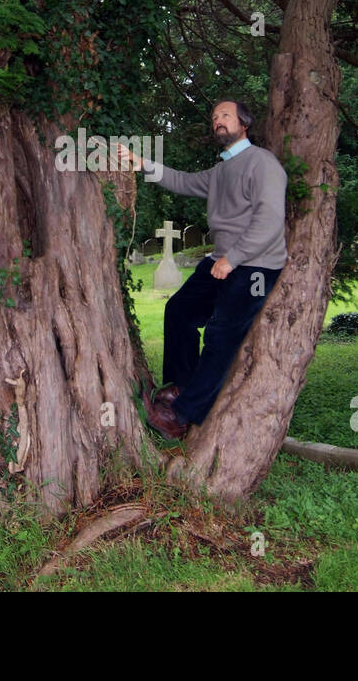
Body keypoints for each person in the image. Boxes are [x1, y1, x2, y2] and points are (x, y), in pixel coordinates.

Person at [117, 100, 287, 439]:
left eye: (225, 115)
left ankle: (182, 416)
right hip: (223, 260)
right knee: (178, 310)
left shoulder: (263, 164)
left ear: (244, 123)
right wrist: (140, 162)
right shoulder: (221, 170)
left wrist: (233, 258)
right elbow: (182, 181)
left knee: (222, 333)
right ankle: (182, 387)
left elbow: (269, 222)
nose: (218, 122)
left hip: (255, 267)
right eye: (214, 118)